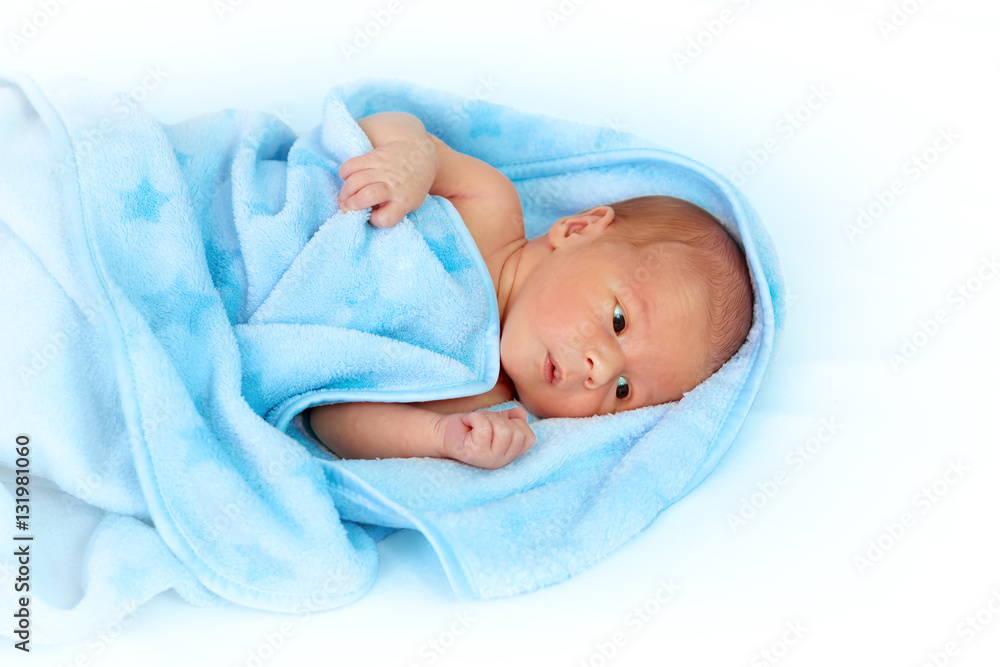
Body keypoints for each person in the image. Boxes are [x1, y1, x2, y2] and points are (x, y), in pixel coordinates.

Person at [307, 111, 753, 469]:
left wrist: (441, 439)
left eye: (622, 390)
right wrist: (410, 158)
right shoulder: (488, 206)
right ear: (579, 229)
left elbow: (331, 415)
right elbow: (372, 126)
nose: (601, 370)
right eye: (619, 321)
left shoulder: (480, 398)